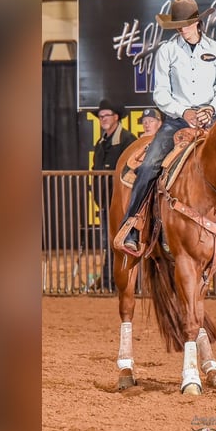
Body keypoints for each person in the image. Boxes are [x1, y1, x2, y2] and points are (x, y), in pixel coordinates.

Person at [118, 0, 216, 263]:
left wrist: (210, 109)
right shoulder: (167, 51)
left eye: (185, 24)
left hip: (212, 119)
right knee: (150, 164)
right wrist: (182, 111)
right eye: (178, 24)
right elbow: (160, 92)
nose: (181, 28)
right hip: (177, 120)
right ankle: (133, 224)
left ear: (197, 22)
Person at [92, 98, 137, 289]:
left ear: (116, 117)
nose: (102, 119)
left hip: (123, 203)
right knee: (109, 242)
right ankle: (110, 280)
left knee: (122, 243)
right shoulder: (101, 142)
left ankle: (121, 281)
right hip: (105, 202)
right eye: (100, 116)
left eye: (106, 115)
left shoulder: (128, 140)